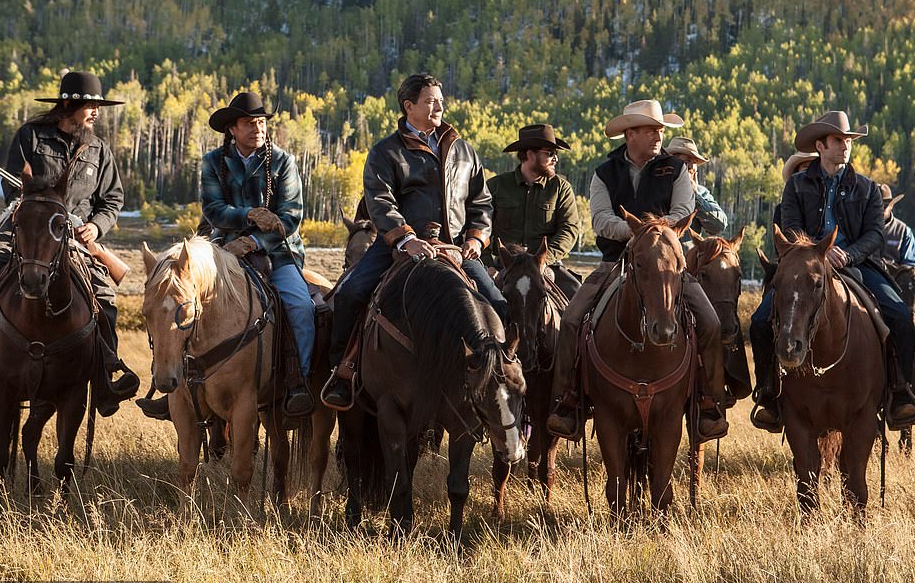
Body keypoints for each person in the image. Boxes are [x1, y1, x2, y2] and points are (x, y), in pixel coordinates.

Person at [545, 99, 729, 441]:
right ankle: (567, 400)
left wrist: (650, 238)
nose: (659, 135)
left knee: (711, 321)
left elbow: (683, 212)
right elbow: (600, 220)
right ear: (630, 133)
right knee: (571, 320)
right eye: (651, 129)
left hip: (669, 267)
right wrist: (636, 236)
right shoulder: (605, 172)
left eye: (661, 130)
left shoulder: (675, 170)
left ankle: (708, 401)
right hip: (614, 262)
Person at [321, 72, 507, 410]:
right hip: (398, 246)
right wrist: (406, 238)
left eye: (440, 99)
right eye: (430, 101)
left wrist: (477, 240)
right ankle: (343, 372)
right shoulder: (385, 152)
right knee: (350, 293)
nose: (439, 106)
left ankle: (502, 381)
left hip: (456, 249)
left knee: (498, 303)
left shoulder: (464, 151)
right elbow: (380, 201)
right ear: (409, 106)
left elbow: (481, 203)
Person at [136, 92, 315, 420]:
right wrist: (249, 215)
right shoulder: (213, 162)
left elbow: (289, 217)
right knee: (188, 310)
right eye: (249, 123)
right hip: (219, 252)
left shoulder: (282, 161)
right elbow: (215, 210)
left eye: (261, 122)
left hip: (276, 252)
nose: (257, 128)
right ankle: (183, 385)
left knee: (301, 307)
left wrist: (252, 242)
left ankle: (297, 380)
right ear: (232, 129)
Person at [0, 71, 139, 416]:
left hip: (76, 239)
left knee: (104, 294)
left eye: (96, 106)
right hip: (27, 230)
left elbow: (112, 200)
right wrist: (41, 208)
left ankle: (105, 376)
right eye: (91, 105)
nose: (96, 112)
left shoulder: (99, 150)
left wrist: (95, 226)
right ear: (69, 104)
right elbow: (13, 189)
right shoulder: (29, 137)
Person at [750, 111, 915, 430]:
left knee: (900, 316)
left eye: (848, 141)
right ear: (820, 145)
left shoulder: (867, 188)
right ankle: (769, 395)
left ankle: (901, 391)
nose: (845, 147)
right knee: (759, 321)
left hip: (855, 264)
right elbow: (790, 228)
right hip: (806, 266)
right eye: (838, 141)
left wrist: (847, 255)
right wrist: (816, 255)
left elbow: (875, 234)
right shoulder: (797, 186)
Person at [486, 123, 581, 298]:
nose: (556, 159)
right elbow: (480, 226)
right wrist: (487, 265)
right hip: (503, 266)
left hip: (548, 265)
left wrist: (545, 258)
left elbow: (570, 229)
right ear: (530, 154)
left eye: (556, 154)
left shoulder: (561, 188)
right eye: (550, 153)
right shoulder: (496, 186)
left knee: (578, 303)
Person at [663, 136, 727, 237]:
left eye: (694, 162)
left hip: (689, 253)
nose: (691, 166)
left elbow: (719, 226)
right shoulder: (658, 187)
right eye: (687, 161)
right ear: (672, 163)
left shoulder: (701, 193)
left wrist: (695, 197)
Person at [875, 184, 915, 268]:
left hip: (894, 278)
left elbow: (911, 264)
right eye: (877, 205)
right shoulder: (860, 227)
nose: (881, 209)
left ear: (891, 206)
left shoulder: (904, 231)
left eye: (885, 205)